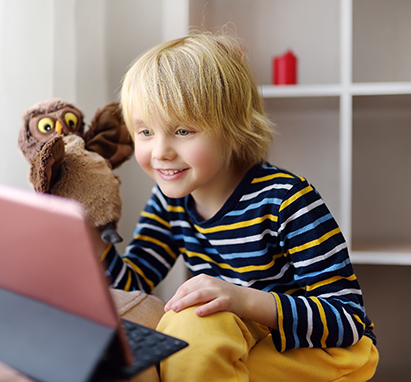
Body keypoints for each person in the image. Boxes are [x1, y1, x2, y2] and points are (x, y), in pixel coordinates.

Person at [98, 32, 379, 381]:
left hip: (325, 352)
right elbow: (132, 288)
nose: (160, 152)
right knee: (179, 338)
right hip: (240, 336)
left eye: (182, 131)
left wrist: (243, 301)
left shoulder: (285, 200)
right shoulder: (168, 202)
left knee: (186, 345)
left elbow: (347, 318)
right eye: (145, 132)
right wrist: (93, 236)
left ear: (234, 130)